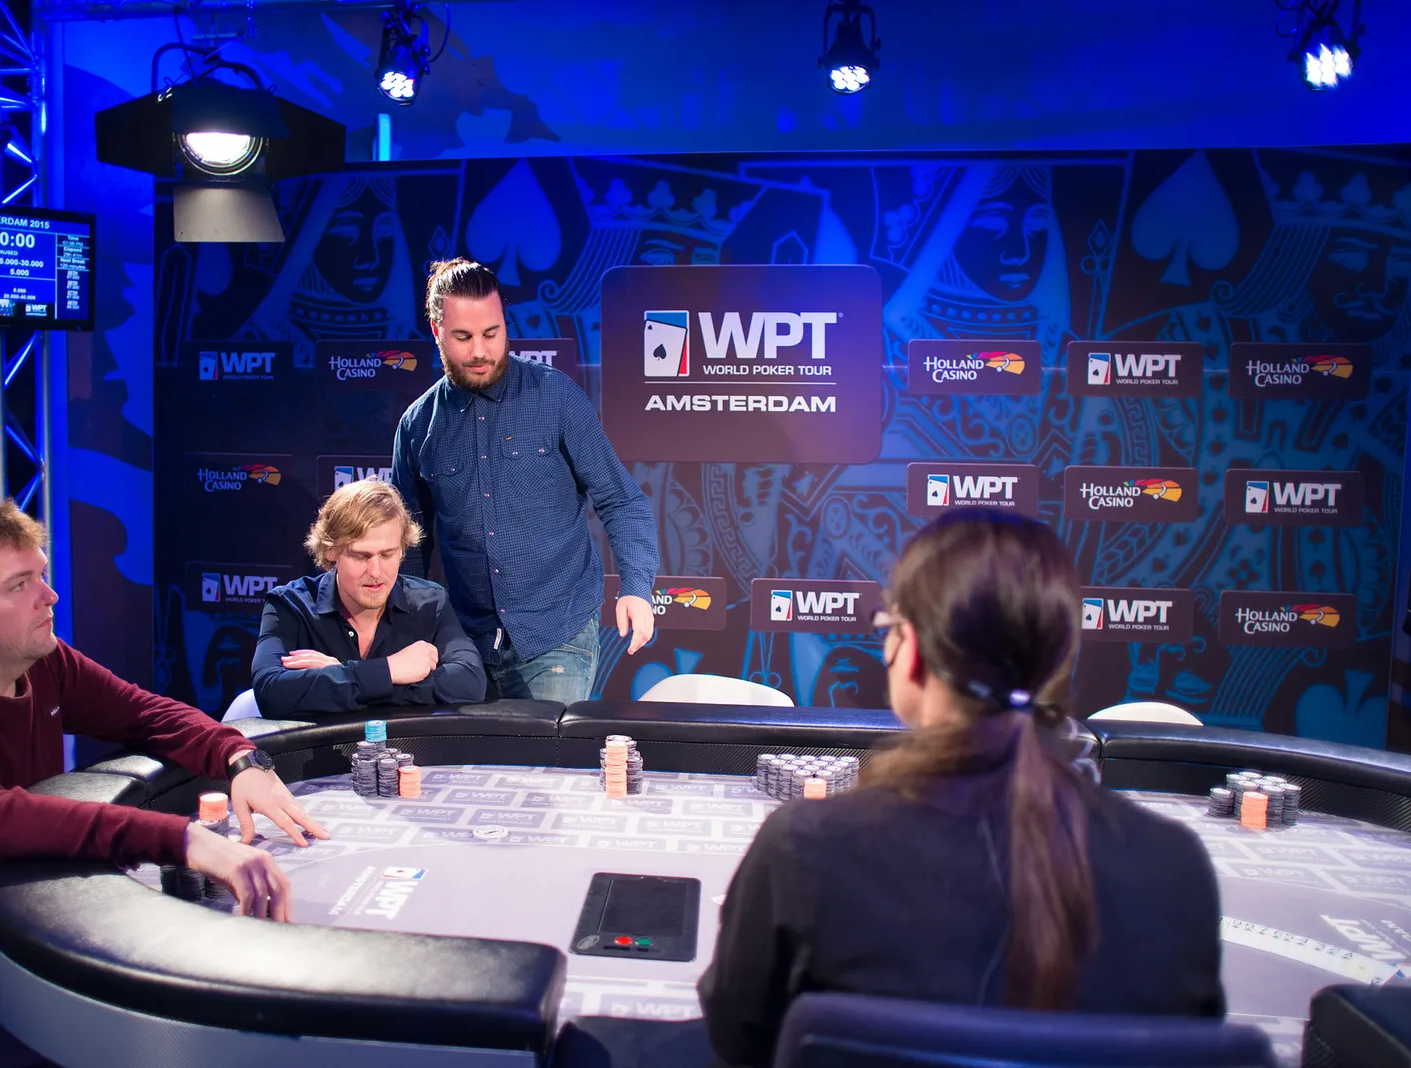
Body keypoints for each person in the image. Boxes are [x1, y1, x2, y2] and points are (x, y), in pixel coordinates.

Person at [0, 495, 327, 1068]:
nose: (49, 596)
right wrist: (183, 839)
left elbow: (147, 713)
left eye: (41, 574)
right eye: (18, 585)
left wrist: (240, 758)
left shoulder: (39, 658)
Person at [697, 509, 1225, 1065]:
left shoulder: (802, 848)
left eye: (888, 627)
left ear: (911, 649)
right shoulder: (1178, 866)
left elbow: (736, 1040)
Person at [391, 258, 659, 704]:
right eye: (463, 337)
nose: (480, 350)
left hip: (557, 633)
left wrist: (635, 587)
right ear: (437, 331)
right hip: (463, 644)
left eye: (492, 333)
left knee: (546, 752)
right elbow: (408, 544)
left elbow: (622, 501)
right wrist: (410, 630)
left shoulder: (556, 396)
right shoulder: (418, 425)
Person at [251, 478, 485, 716]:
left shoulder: (431, 603)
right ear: (331, 551)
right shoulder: (289, 606)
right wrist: (390, 670)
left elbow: (470, 682)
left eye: (387, 554)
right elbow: (271, 693)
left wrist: (344, 676)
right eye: (361, 556)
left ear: (402, 550)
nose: (375, 571)